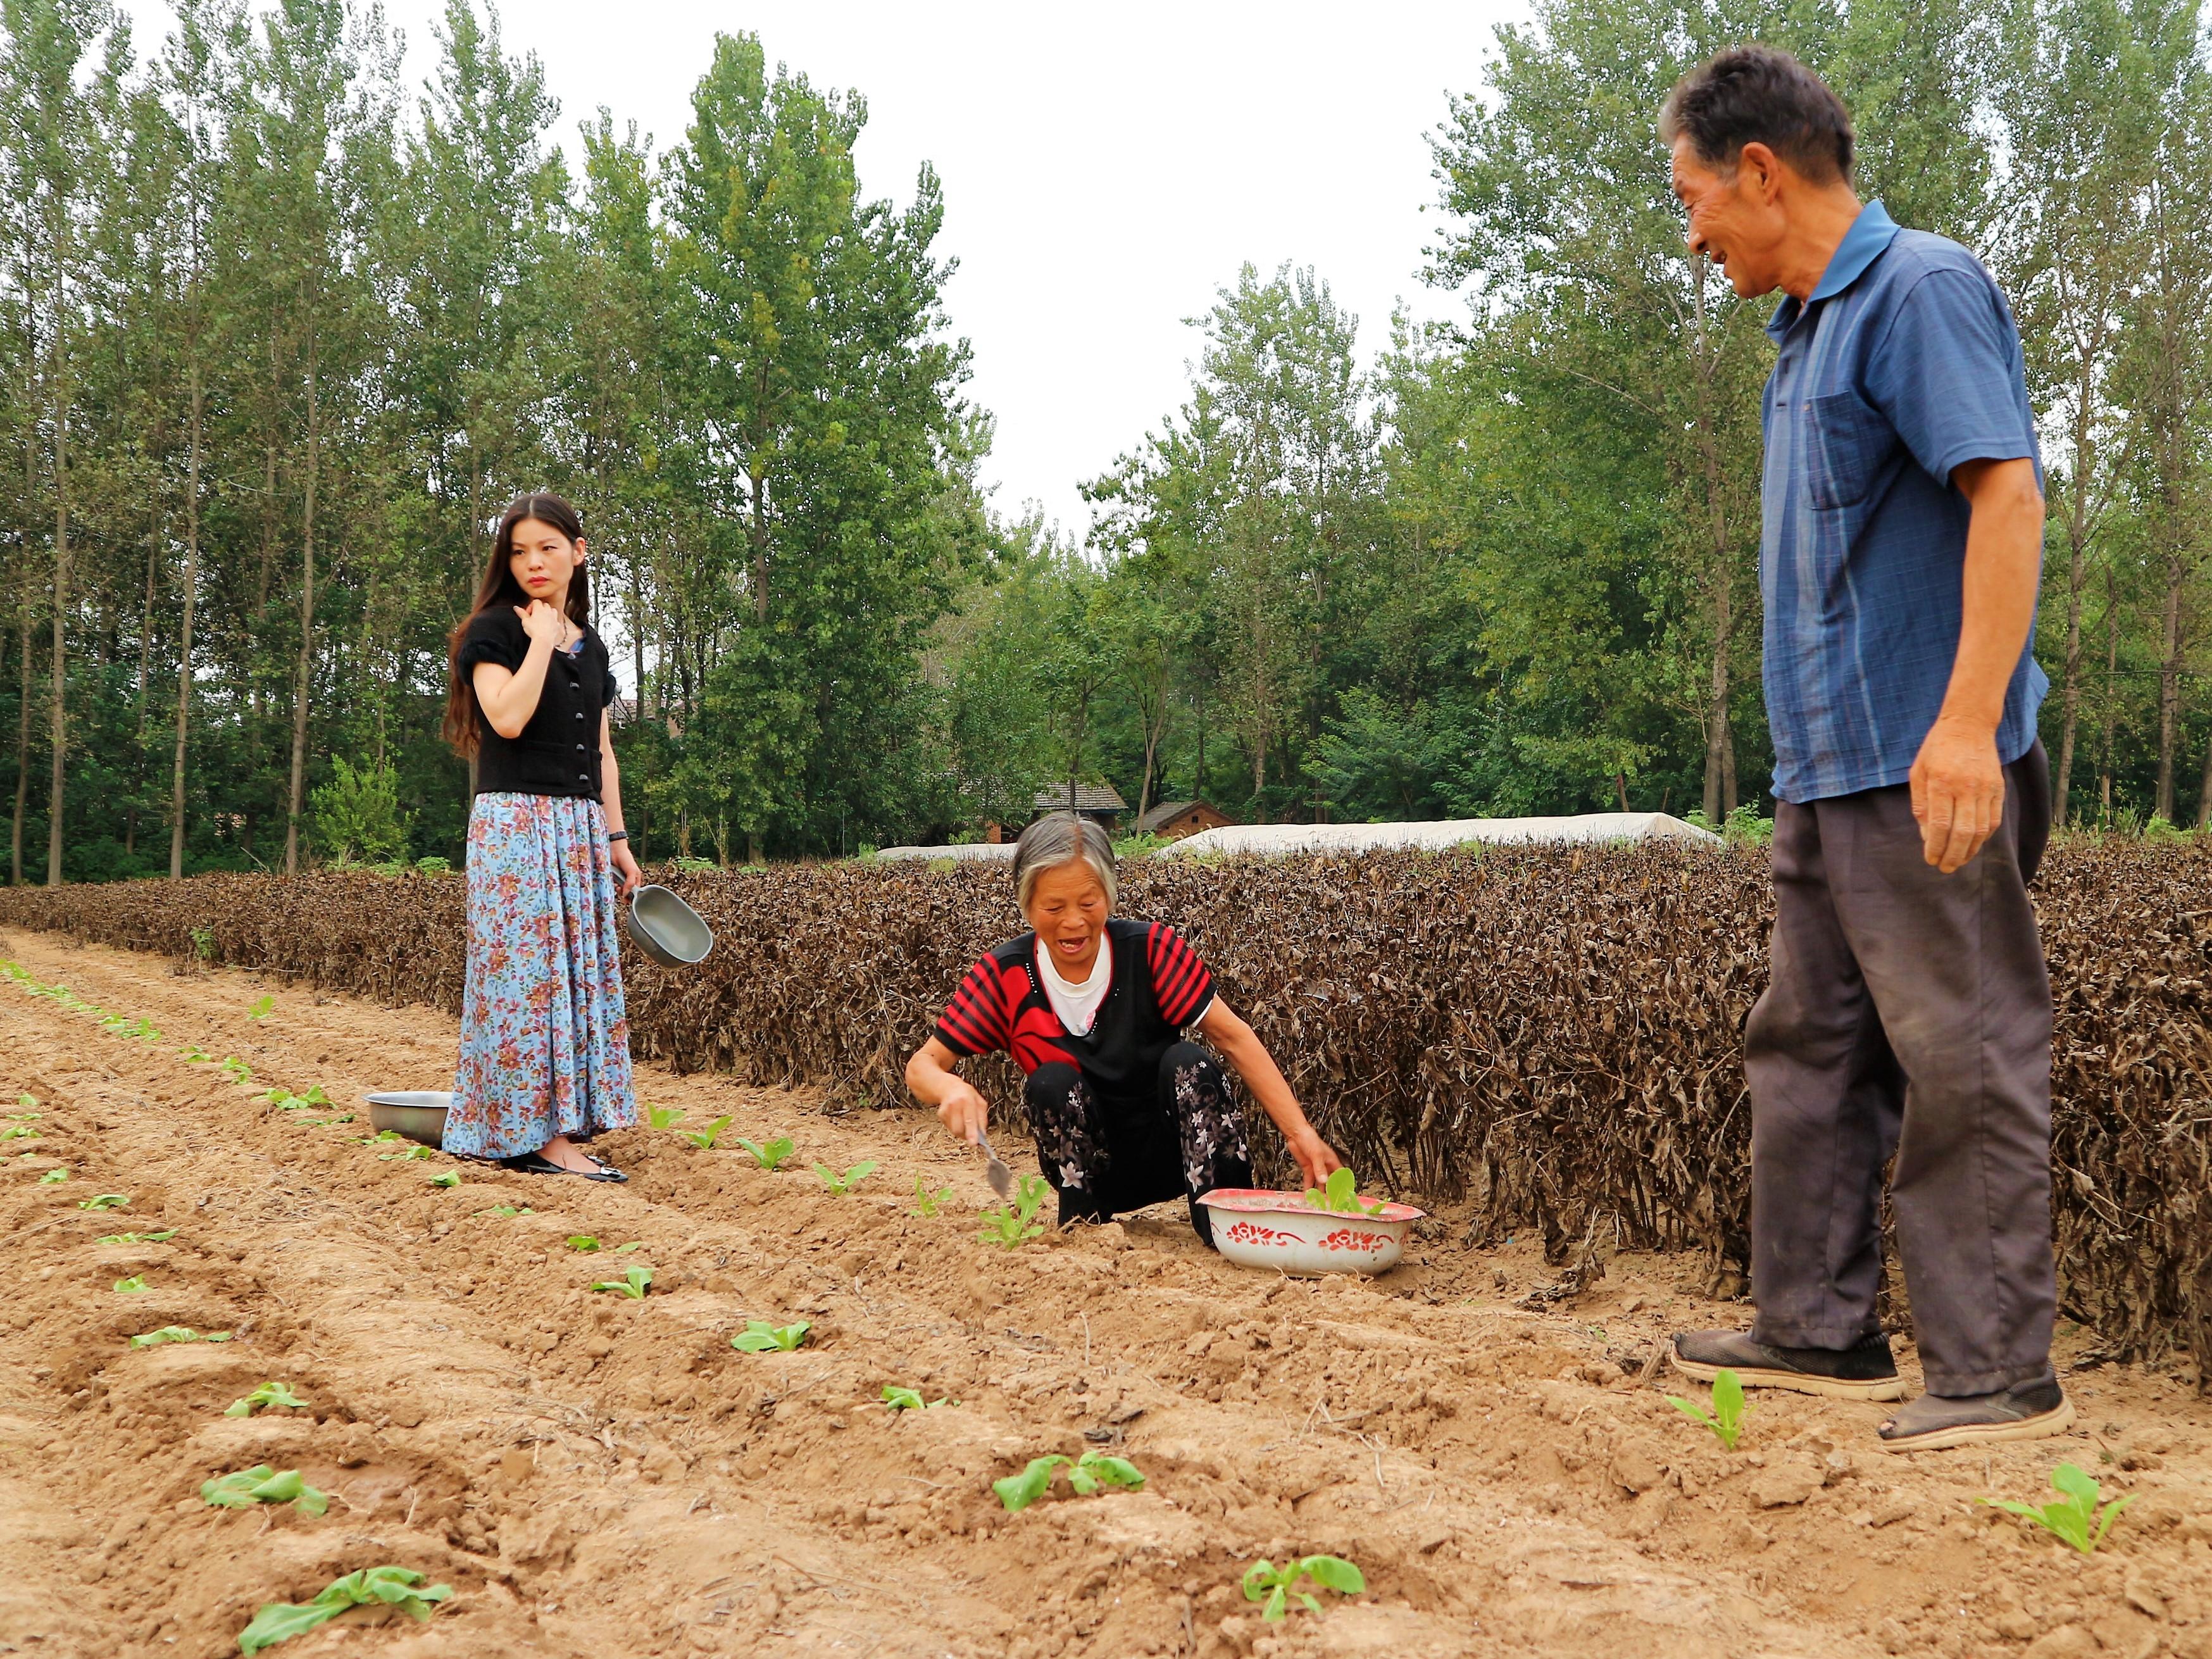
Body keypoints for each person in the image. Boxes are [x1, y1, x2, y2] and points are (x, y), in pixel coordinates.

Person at [1659, 48, 2067, 1451]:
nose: (1693, 229)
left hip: (1919, 761)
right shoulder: (1801, 331)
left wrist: (1963, 725)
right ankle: (1814, 1322)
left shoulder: (1916, 291)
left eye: (1692, 198)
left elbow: (2006, 496)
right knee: (1810, 1049)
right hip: (1823, 765)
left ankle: (1994, 1363)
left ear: (1759, 171)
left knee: (1960, 1050)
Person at [904, 813, 1344, 1243]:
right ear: (1025, 905)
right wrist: (949, 1088)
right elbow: (923, 1064)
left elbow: (1233, 1036)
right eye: (1053, 907)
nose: (1073, 921)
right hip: (1089, 1170)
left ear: (1110, 896)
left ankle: (1227, 1223)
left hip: (1178, 1157)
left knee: (1187, 1059)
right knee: (1050, 1080)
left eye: (1088, 902)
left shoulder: (1150, 952)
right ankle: (1083, 1227)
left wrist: (1299, 1133)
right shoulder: (1006, 974)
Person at [440, 492, 644, 1181]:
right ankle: (539, 1139)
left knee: (574, 983)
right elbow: (506, 716)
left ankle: (554, 1129)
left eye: (548, 547)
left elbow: (602, 750)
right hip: (517, 828)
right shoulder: (493, 631)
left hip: (579, 825)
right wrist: (538, 640)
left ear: (578, 553)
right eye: (519, 549)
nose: (533, 561)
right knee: (527, 985)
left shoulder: (594, 646)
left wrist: (616, 836)